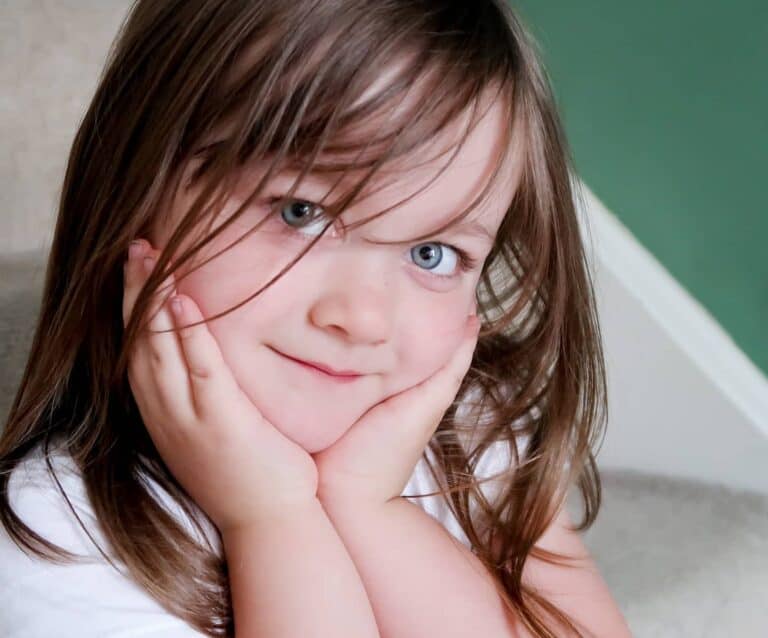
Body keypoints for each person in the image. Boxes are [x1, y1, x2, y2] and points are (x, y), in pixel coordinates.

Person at [0, 1, 632, 636]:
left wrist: (368, 507)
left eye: (430, 253)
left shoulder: (468, 434)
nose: (361, 318)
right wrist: (271, 520)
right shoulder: (58, 537)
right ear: (136, 179)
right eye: (300, 212)